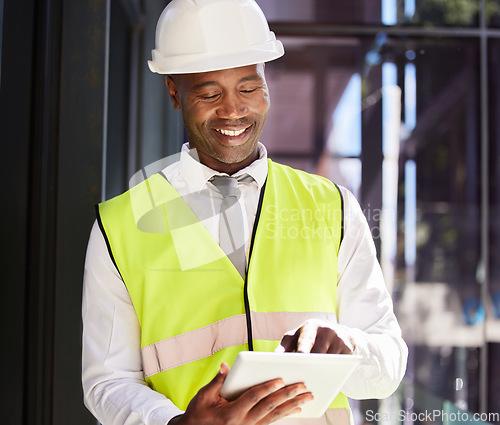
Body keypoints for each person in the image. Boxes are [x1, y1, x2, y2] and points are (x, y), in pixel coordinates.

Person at [81, 1, 408, 424]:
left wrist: (349, 348)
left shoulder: (334, 208)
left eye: (249, 88)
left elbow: (388, 363)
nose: (234, 110)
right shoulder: (120, 228)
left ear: (266, 81)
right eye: (210, 93)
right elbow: (107, 383)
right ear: (174, 92)